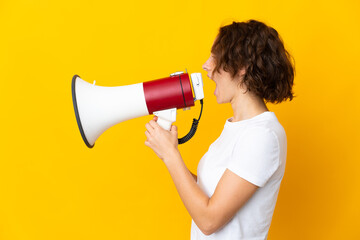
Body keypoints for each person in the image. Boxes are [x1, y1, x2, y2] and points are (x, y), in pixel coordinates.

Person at [144, 19, 295, 240]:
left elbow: (209, 220)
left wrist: (170, 155)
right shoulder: (237, 128)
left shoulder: (263, 136)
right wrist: (167, 151)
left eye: (216, 57)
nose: (206, 65)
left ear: (242, 67)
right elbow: (208, 193)